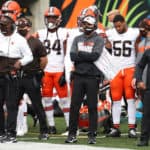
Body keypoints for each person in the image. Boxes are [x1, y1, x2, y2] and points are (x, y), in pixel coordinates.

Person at [65, 14, 104, 144]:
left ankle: (92, 135)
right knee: (74, 106)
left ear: (94, 25)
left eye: (89, 24)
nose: (86, 26)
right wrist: (85, 56)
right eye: (84, 24)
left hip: (93, 77)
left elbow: (95, 56)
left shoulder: (98, 39)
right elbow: (72, 56)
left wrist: (80, 54)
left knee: (92, 107)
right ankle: (71, 134)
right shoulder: (77, 38)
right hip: (78, 77)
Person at [34, 6, 70, 134]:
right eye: (48, 17)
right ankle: (51, 126)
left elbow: (67, 54)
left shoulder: (64, 33)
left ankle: (69, 126)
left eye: (53, 17)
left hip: (60, 69)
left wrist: (66, 71)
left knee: (65, 99)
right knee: (47, 99)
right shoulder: (40, 33)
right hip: (46, 71)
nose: (50, 19)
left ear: (59, 19)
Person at [105, 14, 139, 138]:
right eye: (116, 26)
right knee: (116, 100)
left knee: (130, 99)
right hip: (115, 71)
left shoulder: (134, 32)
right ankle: (115, 128)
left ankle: (131, 128)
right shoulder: (110, 33)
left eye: (119, 26)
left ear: (124, 22)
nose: (118, 29)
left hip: (130, 68)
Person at [0, 14, 33, 143]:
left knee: (11, 105)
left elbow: (29, 56)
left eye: (4, 25)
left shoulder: (20, 40)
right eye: (0, 25)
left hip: (12, 76)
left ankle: (11, 133)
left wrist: (21, 62)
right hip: (0, 74)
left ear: (12, 25)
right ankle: (1, 132)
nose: (2, 28)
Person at [15, 17, 49, 140]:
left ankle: (44, 131)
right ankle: (11, 130)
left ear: (29, 27)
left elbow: (44, 59)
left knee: (37, 104)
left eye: (23, 27)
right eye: (19, 27)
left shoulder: (35, 42)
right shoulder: (15, 41)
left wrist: (39, 71)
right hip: (17, 77)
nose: (21, 29)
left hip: (31, 76)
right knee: (13, 104)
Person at [134, 19, 150, 147]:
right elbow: (139, 65)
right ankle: (144, 139)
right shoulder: (146, 49)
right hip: (148, 86)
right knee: (147, 114)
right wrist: (139, 80)